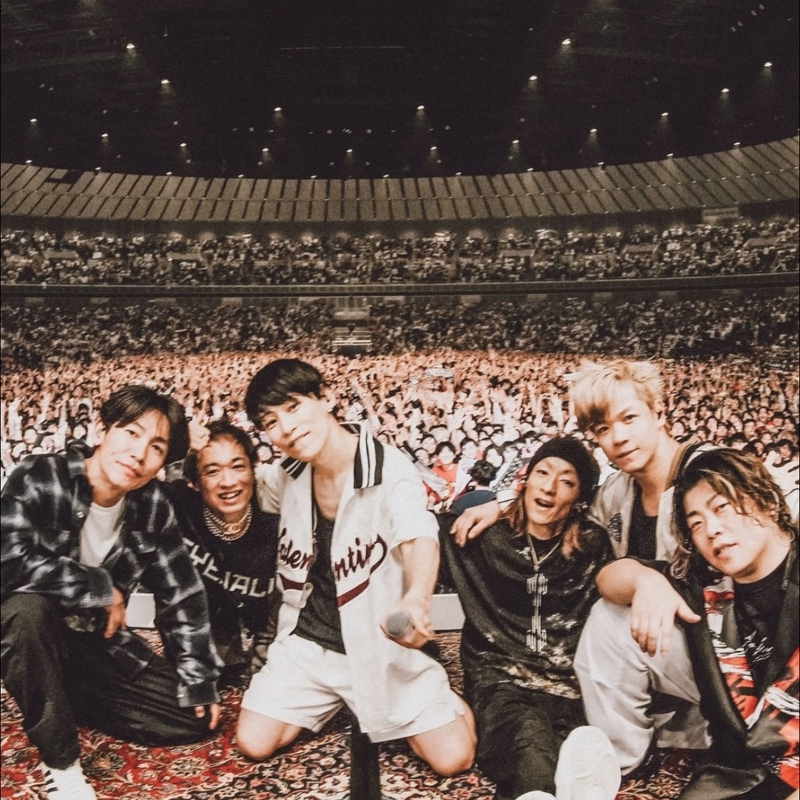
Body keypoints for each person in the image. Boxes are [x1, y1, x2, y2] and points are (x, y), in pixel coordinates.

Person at [453, 359, 712, 774]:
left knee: (609, 620)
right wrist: (502, 504)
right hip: (679, 648)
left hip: (742, 646)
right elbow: (562, 506)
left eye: (629, 418)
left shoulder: (713, 470)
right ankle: (621, 760)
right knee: (609, 618)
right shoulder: (616, 492)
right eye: (603, 429)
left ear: (659, 412)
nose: (619, 437)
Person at [236, 358, 476, 776]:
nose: (286, 428)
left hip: (377, 644)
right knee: (253, 742)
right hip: (309, 644)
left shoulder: (389, 467)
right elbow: (235, 484)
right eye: (271, 422)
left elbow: (418, 535)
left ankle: (441, 697)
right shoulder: (286, 475)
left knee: (453, 759)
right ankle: (341, 699)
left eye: (293, 407)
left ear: (326, 397)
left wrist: (416, 599)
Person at [1, 385, 222, 800]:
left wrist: (198, 677)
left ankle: (59, 693)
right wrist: (96, 585)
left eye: (156, 447)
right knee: (25, 612)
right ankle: (61, 764)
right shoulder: (39, 474)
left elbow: (181, 592)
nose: (139, 454)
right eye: (131, 433)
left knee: (190, 718)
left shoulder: (152, 504)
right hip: (30, 627)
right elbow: (7, 559)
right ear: (102, 428)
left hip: (94, 639)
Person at [596, 449, 798, 799]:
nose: (712, 530)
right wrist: (646, 581)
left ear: (766, 501)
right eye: (697, 523)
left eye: (722, 508)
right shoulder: (705, 582)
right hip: (738, 772)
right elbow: (608, 578)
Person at [440, 438, 620, 800]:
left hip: (569, 685)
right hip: (500, 678)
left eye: (566, 481)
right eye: (542, 473)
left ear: (580, 498)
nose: (549, 487)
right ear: (526, 480)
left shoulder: (592, 546)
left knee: (579, 748)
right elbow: (416, 534)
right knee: (528, 740)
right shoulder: (484, 536)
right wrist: (496, 504)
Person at [168, 420, 279, 683]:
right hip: (202, 623)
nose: (228, 482)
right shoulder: (179, 505)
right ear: (194, 483)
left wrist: (269, 641)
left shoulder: (277, 516)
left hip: (273, 624)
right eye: (212, 471)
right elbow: (124, 486)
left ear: (253, 469)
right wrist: (175, 444)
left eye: (238, 466)